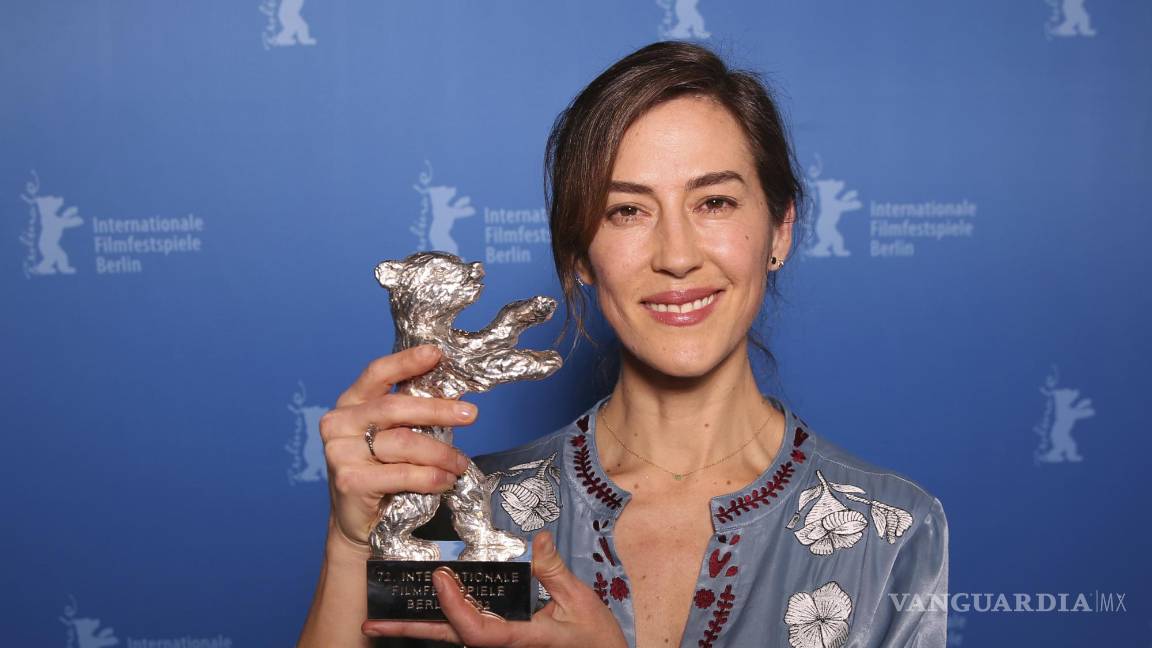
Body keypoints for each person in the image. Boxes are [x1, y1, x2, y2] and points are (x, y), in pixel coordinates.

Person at [298, 40, 948, 648]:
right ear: (580, 254)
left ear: (779, 230)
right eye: (627, 211)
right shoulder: (473, 512)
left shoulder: (893, 530)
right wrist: (351, 544)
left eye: (715, 202)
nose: (676, 256)